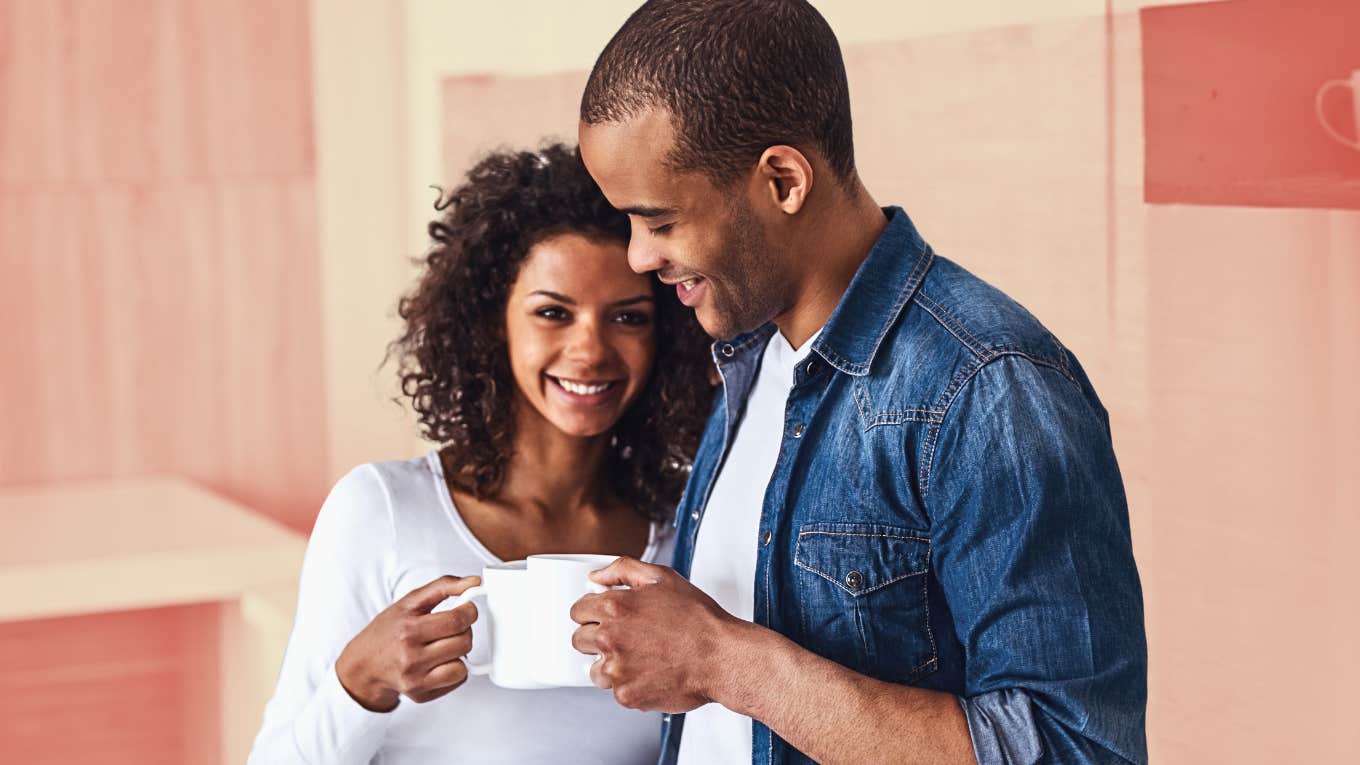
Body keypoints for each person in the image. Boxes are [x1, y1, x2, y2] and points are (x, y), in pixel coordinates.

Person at [567, 2, 1148, 764]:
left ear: (782, 180)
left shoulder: (992, 386)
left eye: (662, 220)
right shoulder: (747, 353)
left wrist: (721, 660)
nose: (640, 256)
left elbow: (1076, 749)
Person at [248, 142, 714, 764]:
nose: (590, 351)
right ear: (493, 322)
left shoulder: (680, 532)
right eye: (554, 313)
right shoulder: (383, 511)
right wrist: (362, 682)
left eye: (628, 318)